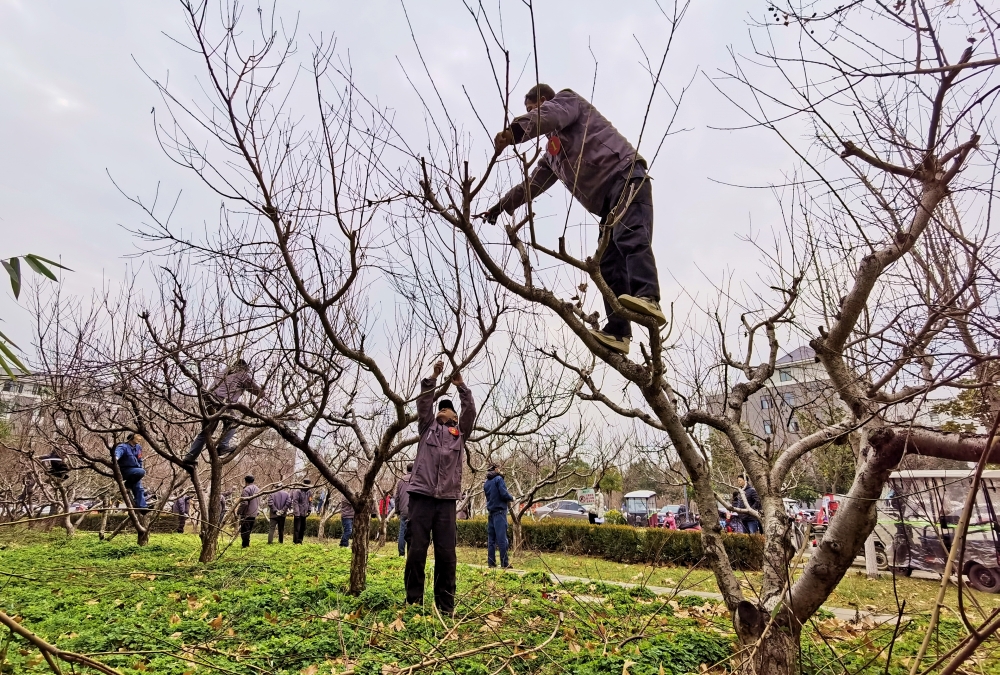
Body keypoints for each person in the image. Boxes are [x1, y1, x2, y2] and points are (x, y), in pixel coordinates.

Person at [485, 84, 664, 356]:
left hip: (625, 175)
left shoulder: (568, 102)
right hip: (606, 202)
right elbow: (531, 185)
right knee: (607, 265)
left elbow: (550, 115)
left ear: (543, 101)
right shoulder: (553, 155)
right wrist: (500, 207)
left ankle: (648, 297)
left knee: (629, 235)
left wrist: (514, 132)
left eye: (532, 109)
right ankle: (618, 333)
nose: (532, 114)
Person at [404, 360, 476, 617]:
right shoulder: (427, 429)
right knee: (416, 553)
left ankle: (445, 607)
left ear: (455, 417)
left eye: (449, 410)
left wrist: (461, 386)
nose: (445, 412)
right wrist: (434, 375)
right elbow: (423, 402)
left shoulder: (460, 434)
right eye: (441, 409)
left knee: (447, 556)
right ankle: (413, 602)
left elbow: (470, 412)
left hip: (447, 501)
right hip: (421, 498)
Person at [183, 359, 263, 464]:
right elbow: (259, 393)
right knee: (234, 421)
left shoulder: (224, 372)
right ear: (244, 368)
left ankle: (190, 457)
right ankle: (223, 446)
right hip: (223, 402)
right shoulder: (243, 375)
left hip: (209, 400)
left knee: (207, 431)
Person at [483, 465, 514, 569]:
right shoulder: (498, 479)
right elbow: (504, 494)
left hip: (491, 512)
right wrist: (512, 497)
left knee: (491, 539)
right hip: (500, 512)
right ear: (496, 469)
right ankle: (504, 563)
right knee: (502, 539)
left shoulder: (486, 483)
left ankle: (491, 563)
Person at [113, 433, 147, 510]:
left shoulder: (138, 447)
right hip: (124, 471)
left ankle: (142, 507)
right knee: (141, 472)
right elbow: (117, 454)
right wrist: (116, 458)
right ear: (132, 437)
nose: (140, 438)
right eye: (138, 436)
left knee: (139, 487)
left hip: (135, 472)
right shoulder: (123, 447)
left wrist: (140, 467)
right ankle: (128, 483)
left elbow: (139, 459)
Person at [236, 475, 260, 548]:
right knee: (249, 529)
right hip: (254, 512)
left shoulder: (246, 489)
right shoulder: (257, 489)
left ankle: (245, 545)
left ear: (246, 481)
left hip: (247, 513)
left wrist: (239, 511)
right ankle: (247, 543)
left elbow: (244, 503)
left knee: (244, 530)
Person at [395, 464, 413, 557]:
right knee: (412, 532)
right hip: (413, 510)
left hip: (403, 510)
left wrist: (397, 510)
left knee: (402, 531)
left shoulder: (400, 481)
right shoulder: (416, 479)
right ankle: (410, 553)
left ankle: (401, 553)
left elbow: (397, 497)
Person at [292, 479, 311, 544]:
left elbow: (310, 501)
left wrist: (309, 510)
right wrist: (297, 512)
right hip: (298, 513)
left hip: (304, 513)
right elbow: (295, 502)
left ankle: (300, 540)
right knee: (297, 528)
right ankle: (296, 541)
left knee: (303, 528)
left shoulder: (309, 492)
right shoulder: (298, 491)